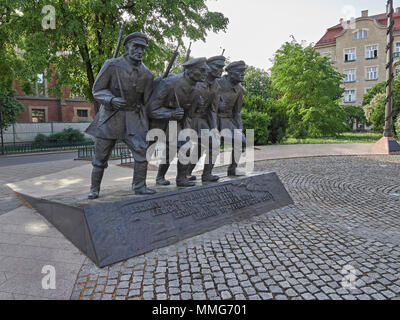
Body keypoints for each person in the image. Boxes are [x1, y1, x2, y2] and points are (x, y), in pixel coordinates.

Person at [85, 32, 156, 199]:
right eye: (136, 47)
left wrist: (146, 125)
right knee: (101, 156)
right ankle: (94, 188)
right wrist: (111, 99)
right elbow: (97, 90)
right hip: (111, 117)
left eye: (142, 48)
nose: (139, 51)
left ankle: (139, 185)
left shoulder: (147, 74)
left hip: (133, 118)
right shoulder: (112, 65)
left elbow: (146, 102)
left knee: (141, 150)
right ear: (127, 48)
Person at [148, 57, 209, 187]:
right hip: (157, 123)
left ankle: (180, 179)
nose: (206, 73)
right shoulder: (169, 83)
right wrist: (170, 113)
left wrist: (198, 107)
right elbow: (151, 109)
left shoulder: (197, 89)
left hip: (175, 124)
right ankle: (141, 183)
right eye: (203, 70)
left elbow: (189, 115)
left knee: (183, 146)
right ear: (190, 71)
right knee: (145, 154)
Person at [185, 55, 226, 182]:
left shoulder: (216, 87)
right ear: (208, 67)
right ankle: (176, 175)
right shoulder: (196, 81)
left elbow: (213, 110)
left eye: (222, 67)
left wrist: (214, 128)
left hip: (201, 121)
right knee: (183, 147)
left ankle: (206, 174)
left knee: (212, 144)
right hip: (187, 119)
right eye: (218, 67)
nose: (221, 70)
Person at [217, 60, 247, 176]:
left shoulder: (239, 89)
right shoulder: (217, 83)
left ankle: (232, 168)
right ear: (230, 73)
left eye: (243, 72)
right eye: (240, 71)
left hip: (226, 120)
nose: (243, 74)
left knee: (242, 141)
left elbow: (237, 112)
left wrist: (239, 129)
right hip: (212, 118)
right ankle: (189, 172)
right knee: (206, 145)